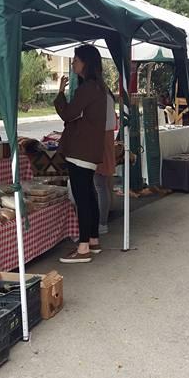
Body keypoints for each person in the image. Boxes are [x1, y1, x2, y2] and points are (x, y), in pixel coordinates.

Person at [54, 45, 109, 264]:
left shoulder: (87, 88)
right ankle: (93, 240)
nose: (74, 63)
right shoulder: (99, 87)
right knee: (89, 195)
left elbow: (68, 114)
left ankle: (83, 247)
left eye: (76, 59)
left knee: (82, 197)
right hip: (89, 149)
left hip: (79, 150)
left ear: (85, 62)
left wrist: (59, 94)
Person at [94, 84, 118, 235]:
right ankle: (101, 221)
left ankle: (102, 222)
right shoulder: (108, 96)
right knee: (102, 185)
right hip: (106, 138)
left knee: (100, 185)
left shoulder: (102, 97)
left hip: (100, 140)